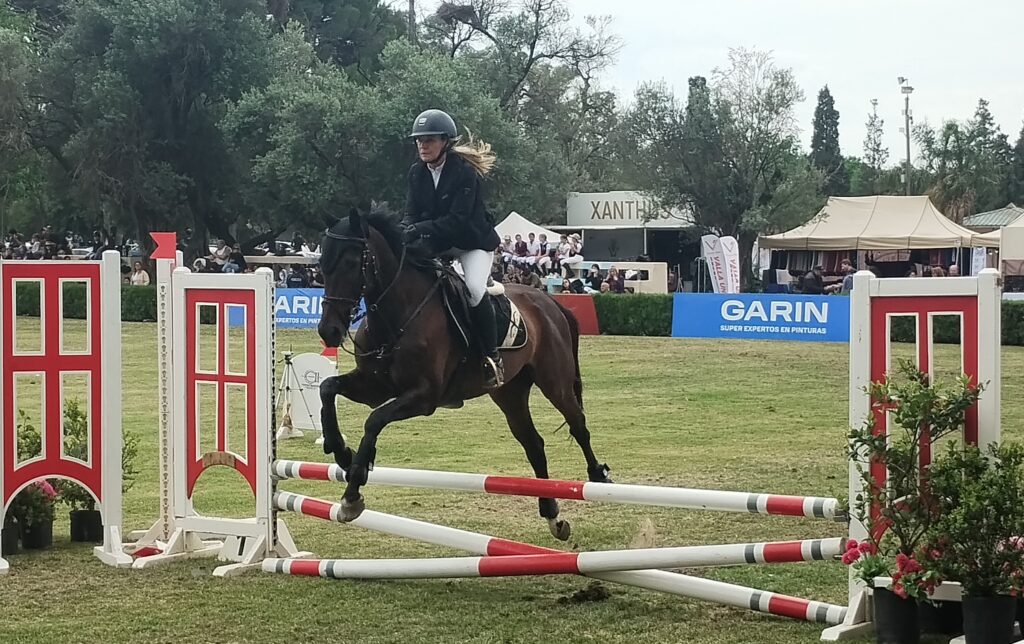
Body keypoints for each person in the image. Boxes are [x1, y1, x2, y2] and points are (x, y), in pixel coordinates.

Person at [401, 109, 504, 389]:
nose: (423, 146)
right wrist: (405, 230)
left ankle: (491, 357)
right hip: (439, 243)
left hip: (472, 244)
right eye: (419, 141)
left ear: (445, 141)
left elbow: (457, 222)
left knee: (472, 289)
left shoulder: (465, 173)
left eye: (429, 140)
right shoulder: (416, 173)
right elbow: (411, 212)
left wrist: (419, 229)